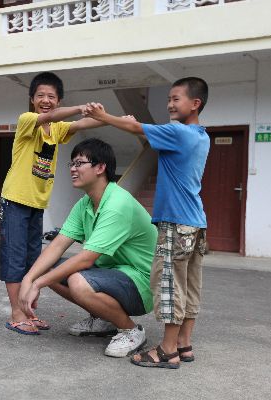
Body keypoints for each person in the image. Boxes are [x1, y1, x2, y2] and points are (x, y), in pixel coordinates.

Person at [84, 77, 209, 369]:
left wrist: (104, 116)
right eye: (168, 99)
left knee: (168, 285)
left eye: (176, 99)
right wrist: (132, 123)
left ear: (195, 103)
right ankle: (184, 344)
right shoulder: (200, 136)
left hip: (175, 222)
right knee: (189, 285)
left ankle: (167, 350)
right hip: (196, 222)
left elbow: (136, 129)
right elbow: (145, 133)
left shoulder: (177, 132)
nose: (170, 104)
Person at [19, 138, 158, 357]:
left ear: (100, 168)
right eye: (72, 164)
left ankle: (131, 331)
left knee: (77, 281)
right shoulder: (85, 203)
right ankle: (104, 318)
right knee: (48, 267)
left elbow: (86, 259)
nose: (73, 169)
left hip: (142, 283)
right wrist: (29, 279)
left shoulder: (117, 204)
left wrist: (38, 283)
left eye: (79, 163)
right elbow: (58, 244)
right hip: (112, 273)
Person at [1, 72, 105, 335]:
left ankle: (28, 311)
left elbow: (83, 124)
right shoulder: (27, 120)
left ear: (59, 100)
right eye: (41, 96)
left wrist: (114, 119)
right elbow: (54, 117)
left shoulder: (56, 130)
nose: (46, 101)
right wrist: (80, 107)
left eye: (51, 97)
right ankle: (16, 314)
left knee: (33, 259)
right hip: (15, 199)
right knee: (14, 258)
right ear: (32, 99)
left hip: (36, 203)